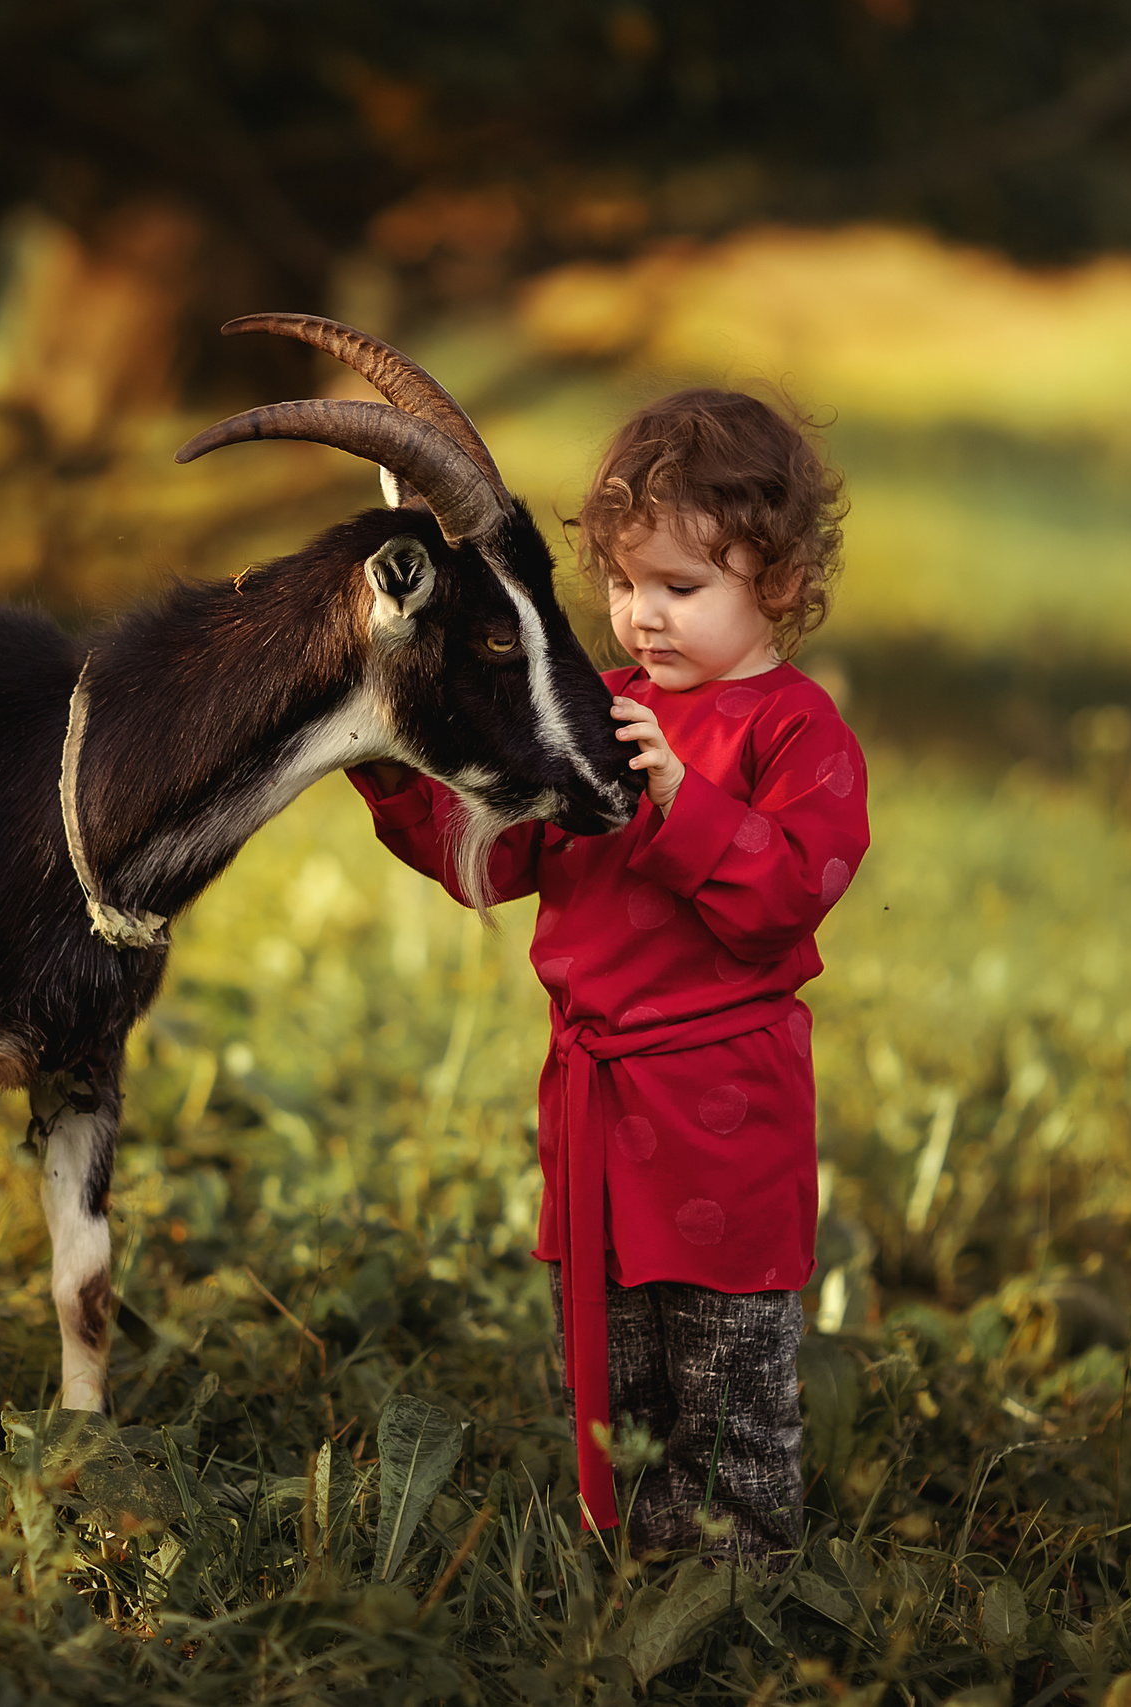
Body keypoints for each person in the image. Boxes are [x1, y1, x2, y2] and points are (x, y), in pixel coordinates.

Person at [349, 387, 869, 1566]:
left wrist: (682, 802)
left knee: (724, 1373)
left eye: (680, 588)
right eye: (625, 585)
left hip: (720, 1112)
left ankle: (734, 1581)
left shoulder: (797, 734)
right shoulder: (599, 708)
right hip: (590, 1112)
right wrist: (391, 768)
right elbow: (496, 858)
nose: (641, 616)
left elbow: (784, 900)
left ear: (781, 583)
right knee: (609, 1371)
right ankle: (624, 1562)